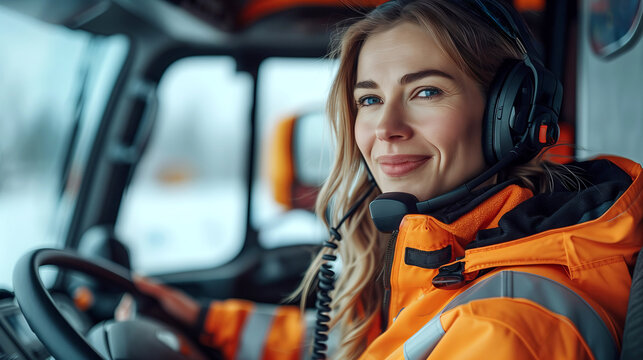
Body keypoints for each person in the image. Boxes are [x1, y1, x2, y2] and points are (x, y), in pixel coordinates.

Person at [119, 1, 643, 359]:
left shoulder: (505, 325)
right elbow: (362, 344)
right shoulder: (456, 261)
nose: (386, 129)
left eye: (425, 92)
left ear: (511, 114)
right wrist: (206, 322)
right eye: (369, 99)